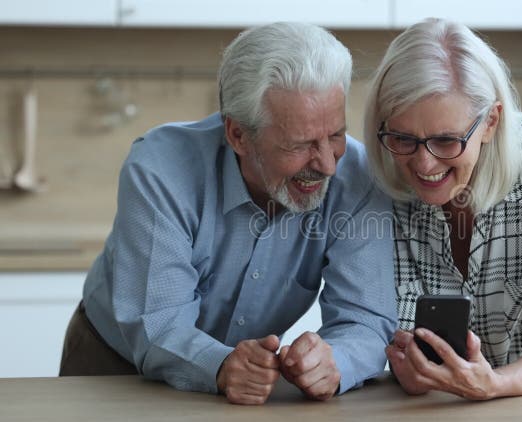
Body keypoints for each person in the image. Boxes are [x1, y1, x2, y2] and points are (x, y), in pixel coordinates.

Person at [59, 22, 397, 405]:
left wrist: (334, 360)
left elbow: (366, 320)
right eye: (300, 145)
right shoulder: (160, 170)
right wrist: (219, 366)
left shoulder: (359, 177)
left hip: (247, 382)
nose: (326, 165)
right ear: (237, 135)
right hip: (117, 363)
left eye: (335, 135)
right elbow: (158, 321)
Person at [363, 18, 522, 400]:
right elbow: (402, 334)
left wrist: (492, 385)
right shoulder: (378, 179)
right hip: (447, 400)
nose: (423, 164)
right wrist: (411, 369)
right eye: (403, 138)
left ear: (490, 122)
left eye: (446, 141)